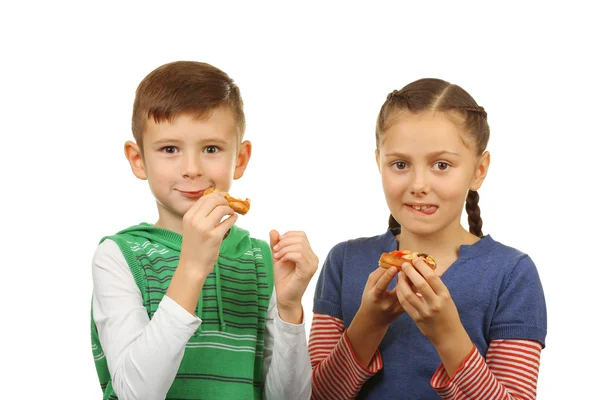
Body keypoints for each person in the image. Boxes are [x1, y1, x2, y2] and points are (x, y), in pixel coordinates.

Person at [90, 61, 317, 400]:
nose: (192, 169)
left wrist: (289, 309)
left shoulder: (261, 260)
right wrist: (192, 269)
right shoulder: (119, 256)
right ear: (138, 160)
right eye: (170, 149)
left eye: (211, 149)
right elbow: (134, 393)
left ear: (239, 159)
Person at [309, 78, 547, 399]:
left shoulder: (512, 274)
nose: (419, 183)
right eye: (401, 164)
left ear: (479, 169)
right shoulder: (343, 262)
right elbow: (316, 395)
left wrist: (448, 335)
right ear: (379, 162)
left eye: (441, 165)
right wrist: (368, 323)